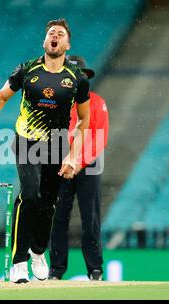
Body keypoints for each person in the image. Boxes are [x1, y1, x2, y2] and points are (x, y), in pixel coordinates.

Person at [0, 19, 90, 283]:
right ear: (45, 42)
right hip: (27, 140)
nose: (54, 37)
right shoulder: (27, 68)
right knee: (30, 195)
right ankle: (19, 261)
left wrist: (73, 154)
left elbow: (83, 120)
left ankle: (38, 252)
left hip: (56, 142)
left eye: (60, 34)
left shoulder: (77, 78)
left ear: (67, 44)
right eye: (50, 34)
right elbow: (1, 97)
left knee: (48, 203)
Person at [49, 56, 109, 281]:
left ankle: (95, 269)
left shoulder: (96, 102)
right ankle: (56, 270)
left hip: (87, 164)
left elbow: (99, 138)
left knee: (90, 217)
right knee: (57, 217)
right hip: (60, 163)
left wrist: (77, 161)